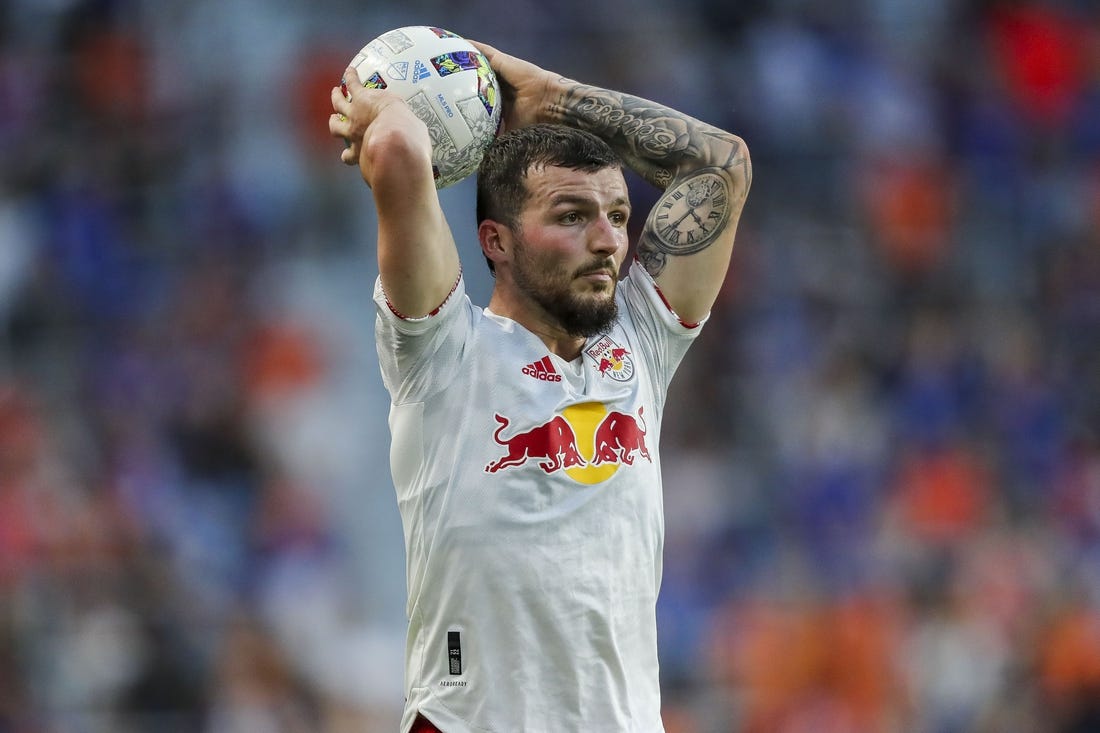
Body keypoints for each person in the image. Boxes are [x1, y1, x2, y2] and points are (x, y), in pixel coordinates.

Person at [329, 38, 750, 733]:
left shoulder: (640, 343)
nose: (609, 240)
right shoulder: (442, 351)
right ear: (495, 241)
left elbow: (722, 167)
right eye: (570, 215)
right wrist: (388, 108)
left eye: (617, 214)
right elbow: (400, 150)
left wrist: (553, 97)